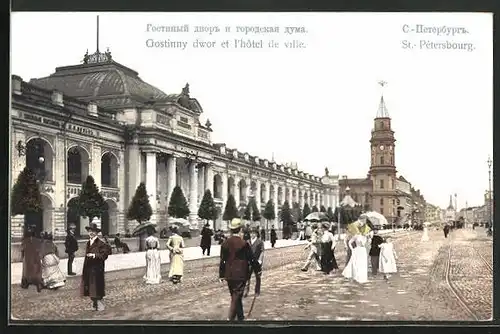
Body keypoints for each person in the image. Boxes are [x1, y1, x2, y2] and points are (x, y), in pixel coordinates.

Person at [219, 218, 262, 322]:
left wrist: (221, 274)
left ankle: (241, 319)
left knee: (235, 297)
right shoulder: (244, 244)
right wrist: (258, 269)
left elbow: (223, 260)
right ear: (240, 230)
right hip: (241, 274)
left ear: (231, 230)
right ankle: (230, 320)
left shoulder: (225, 243)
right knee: (236, 297)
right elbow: (251, 259)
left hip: (229, 275)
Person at [80, 223, 112, 311]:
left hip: (97, 268)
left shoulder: (101, 243)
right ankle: (94, 304)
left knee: (97, 287)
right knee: (90, 287)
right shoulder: (88, 243)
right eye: (89, 231)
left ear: (97, 233)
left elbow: (104, 255)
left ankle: (99, 304)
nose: (91, 233)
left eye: (93, 231)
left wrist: (94, 255)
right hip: (89, 268)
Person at [20, 227, 43, 292]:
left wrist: (22, 257)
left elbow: (22, 250)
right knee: (36, 271)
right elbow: (39, 249)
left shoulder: (24, 241)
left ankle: (25, 284)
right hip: (35, 257)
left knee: (26, 271)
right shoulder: (37, 241)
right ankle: (38, 284)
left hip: (27, 257)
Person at [244, 228, 265, 297]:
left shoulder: (260, 242)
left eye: (253, 233)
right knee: (247, 277)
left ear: (256, 234)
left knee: (257, 277)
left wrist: (260, 260)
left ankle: (257, 291)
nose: (252, 235)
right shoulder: (247, 242)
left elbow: (262, 251)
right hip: (249, 262)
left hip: (256, 262)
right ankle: (246, 291)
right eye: (251, 233)